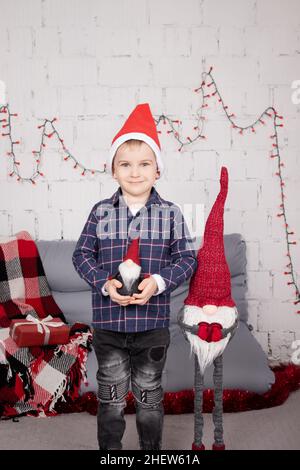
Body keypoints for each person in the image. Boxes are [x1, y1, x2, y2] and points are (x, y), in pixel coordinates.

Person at [72, 103, 197, 450]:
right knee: (110, 399)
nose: (135, 172)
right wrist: (103, 282)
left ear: (157, 170)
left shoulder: (171, 214)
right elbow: (81, 255)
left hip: (152, 327)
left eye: (144, 164)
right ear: (113, 170)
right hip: (109, 326)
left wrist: (158, 282)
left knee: (149, 399)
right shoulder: (99, 213)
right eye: (125, 164)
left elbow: (187, 259)